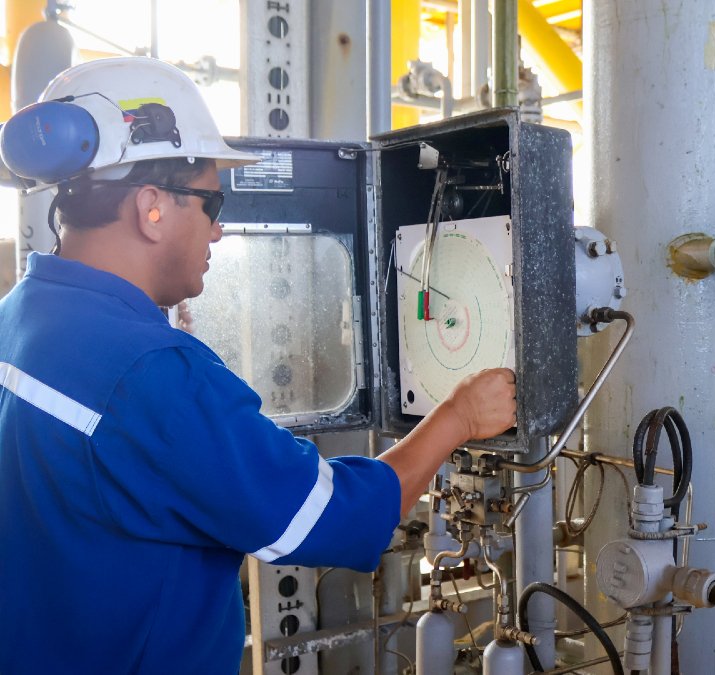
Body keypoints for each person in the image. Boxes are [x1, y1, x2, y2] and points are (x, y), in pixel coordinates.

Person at [0, 57, 516, 674]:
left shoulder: (22, 316)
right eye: (212, 203)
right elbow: (332, 519)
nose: (218, 231)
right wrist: (458, 416)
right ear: (151, 207)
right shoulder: (153, 374)